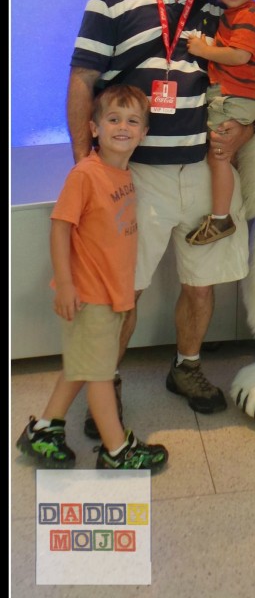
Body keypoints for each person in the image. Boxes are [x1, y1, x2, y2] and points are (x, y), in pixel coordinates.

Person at [66, 0, 253, 437]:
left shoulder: (222, 12)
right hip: (133, 174)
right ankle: (106, 382)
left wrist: (246, 131)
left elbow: (250, 83)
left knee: (201, 284)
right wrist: (86, 168)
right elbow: (82, 82)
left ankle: (187, 368)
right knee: (122, 289)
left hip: (203, 168)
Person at [16, 85, 169, 472]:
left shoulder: (124, 173)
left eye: (133, 121)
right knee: (99, 374)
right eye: (113, 119)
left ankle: (45, 430)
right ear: (94, 128)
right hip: (89, 295)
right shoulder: (86, 174)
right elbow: (60, 227)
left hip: (112, 293)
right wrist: (66, 284)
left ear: (144, 132)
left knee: (83, 365)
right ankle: (117, 450)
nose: (123, 127)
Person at [184, 0, 255, 245]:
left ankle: (221, 219)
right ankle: (227, 210)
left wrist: (203, 49)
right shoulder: (235, 14)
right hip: (233, 94)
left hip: (237, 96)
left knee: (218, 155)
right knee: (223, 156)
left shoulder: (250, 15)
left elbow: (240, 56)